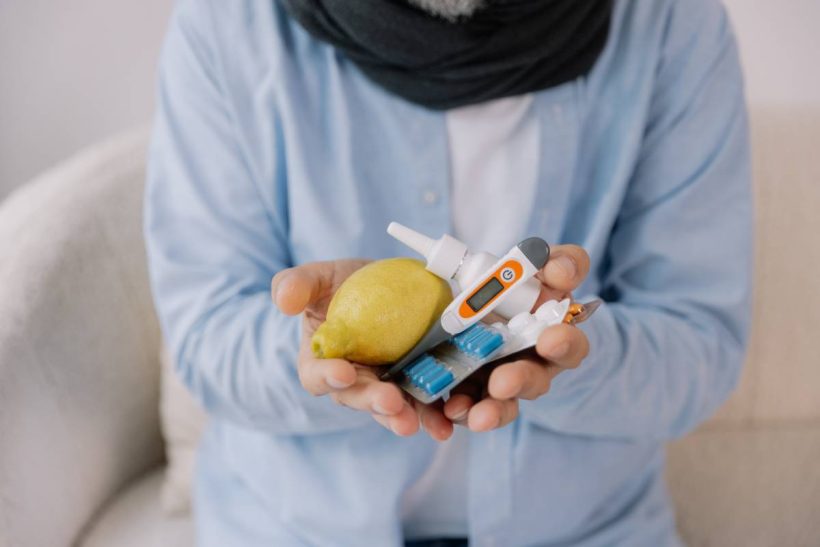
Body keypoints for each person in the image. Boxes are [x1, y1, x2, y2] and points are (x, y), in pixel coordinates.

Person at [144, 0, 752, 545]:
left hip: (590, 529)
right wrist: (317, 359)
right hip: (292, 527)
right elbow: (204, 338)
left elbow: (699, 347)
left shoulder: (672, 22)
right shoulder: (226, 25)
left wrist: (571, 361)